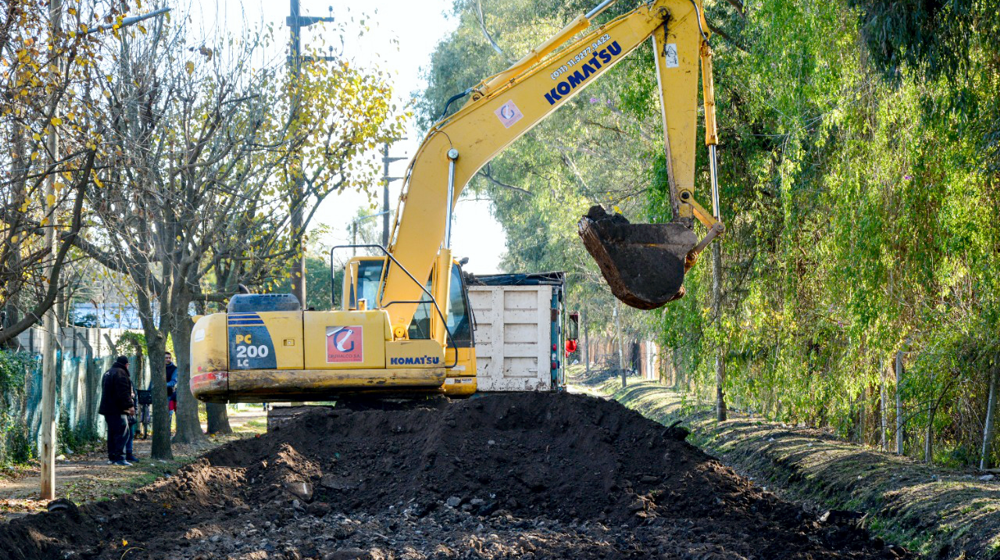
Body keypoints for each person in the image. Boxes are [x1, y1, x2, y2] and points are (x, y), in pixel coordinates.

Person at [98, 356, 135, 466]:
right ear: (125, 364)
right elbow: (123, 392)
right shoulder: (121, 373)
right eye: (128, 365)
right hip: (118, 409)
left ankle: (112, 457)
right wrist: (130, 406)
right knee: (123, 432)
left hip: (107, 408)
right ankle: (120, 458)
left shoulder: (108, 372)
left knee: (112, 433)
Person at [165, 352, 178, 433]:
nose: (168, 359)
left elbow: (173, 381)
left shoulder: (174, 368)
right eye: (166, 358)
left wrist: (163, 385)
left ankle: (168, 431)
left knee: (169, 413)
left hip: (169, 394)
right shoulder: (158, 368)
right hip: (158, 395)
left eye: (169, 357)